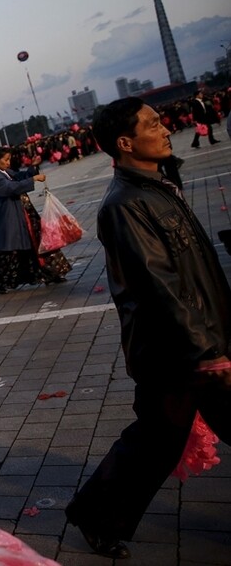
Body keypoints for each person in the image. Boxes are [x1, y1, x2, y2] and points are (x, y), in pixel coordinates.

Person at [66, 98, 231, 559]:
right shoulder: (124, 204)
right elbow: (161, 285)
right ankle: (95, 513)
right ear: (125, 142)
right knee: (157, 440)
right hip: (175, 353)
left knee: (157, 439)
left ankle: (94, 512)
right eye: (153, 124)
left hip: (201, 340)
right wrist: (209, 351)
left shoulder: (158, 187)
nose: (164, 129)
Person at [0, 148, 71, 294]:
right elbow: (11, 188)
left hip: (24, 214)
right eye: (6, 159)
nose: (8, 162)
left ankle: (49, 273)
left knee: (37, 243)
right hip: (10, 218)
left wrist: (32, 167)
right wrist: (33, 179)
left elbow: (20, 176)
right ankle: (0, 281)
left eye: (9, 159)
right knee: (9, 250)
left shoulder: (7, 173)